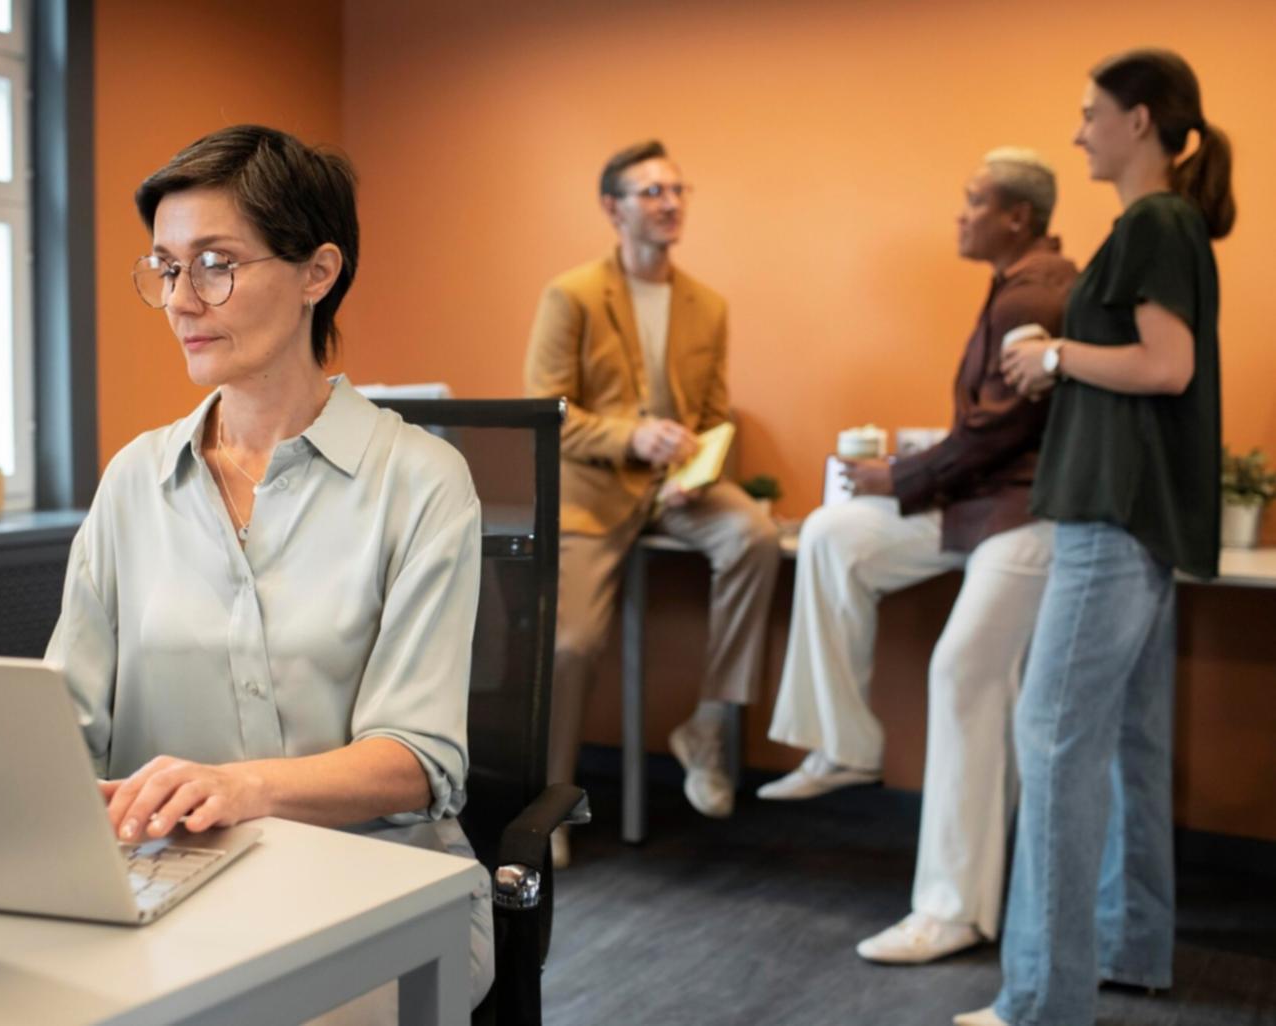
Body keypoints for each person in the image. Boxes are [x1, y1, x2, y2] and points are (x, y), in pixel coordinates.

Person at [0, 125, 494, 1019]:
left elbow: (416, 764)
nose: (182, 300)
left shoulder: (420, 481)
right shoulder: (135, 478)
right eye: (165, 268)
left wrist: (243, 785)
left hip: (381, 897)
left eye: (215, 264)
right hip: (169, 883)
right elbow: (61, 729)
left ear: (318, 272)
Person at [957, 49, 1233, 1026]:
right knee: (1125, 741)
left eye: (1090, 113)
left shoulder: (1155, 221)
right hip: (1140, 522)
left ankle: (1041, 998)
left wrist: (1054, 352)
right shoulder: (1167, 224)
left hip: (1109, 520)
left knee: (1056, 740)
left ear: (1142, 120)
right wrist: (1066, 362)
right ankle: (1127, 949)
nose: (1077, 131)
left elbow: (1166, 366)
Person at [757, 149, 1078, 964]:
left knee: (963, 675)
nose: (959, 214)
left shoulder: (1033, 295)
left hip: (1026, 516)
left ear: (1015, 216)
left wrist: (894, 475)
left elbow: (996, 433)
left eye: (972, 201)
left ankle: (951, 909)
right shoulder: (1013, 284)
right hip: (978, 504)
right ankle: (843, 743)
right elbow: (988, 434)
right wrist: (893, 485)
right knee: (833, 533)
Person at [524, 139, 780, 866]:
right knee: (571, 643)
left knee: (754, 537)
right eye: (650, 192)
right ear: (613, 208)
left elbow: (714, 410)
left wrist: (699, 462)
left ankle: (707, 722)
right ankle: (550, 807)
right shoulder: (570, 293)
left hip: (679, 489)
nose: (669, 203)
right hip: (594, 491)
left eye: (676, 190)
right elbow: (547, 410)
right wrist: (633, 438)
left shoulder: (709, 305)